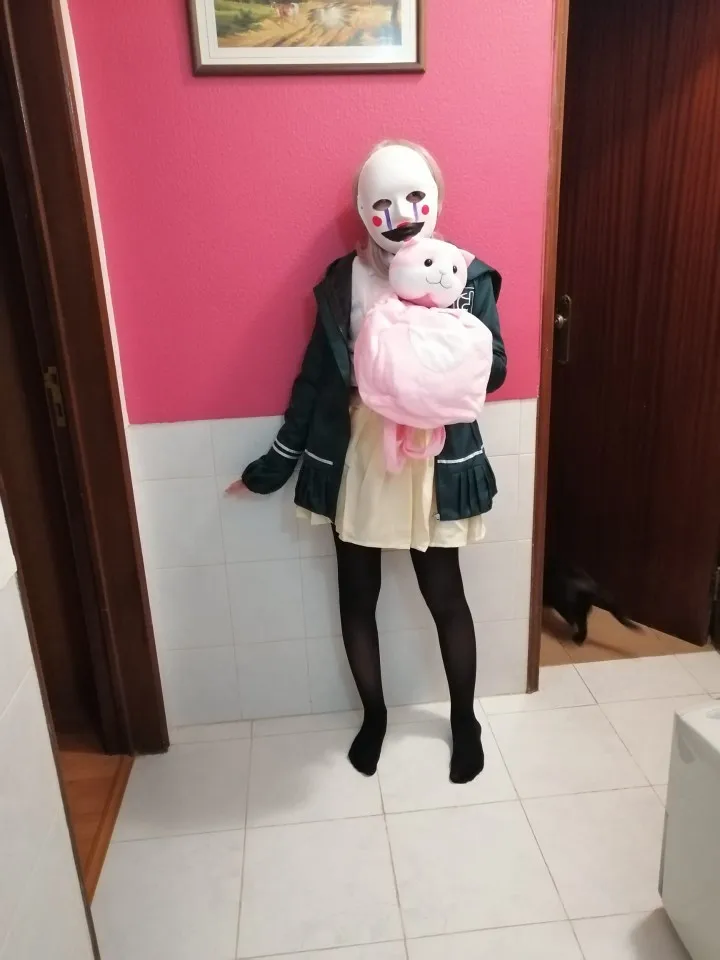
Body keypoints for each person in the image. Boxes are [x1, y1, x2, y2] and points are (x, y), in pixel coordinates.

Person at [230, 140, 506, 783]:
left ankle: (465, 720)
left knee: (446, 595)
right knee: (357, 595)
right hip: (359, 453)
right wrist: (271, 467)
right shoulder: (341, 282)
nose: (400, 214)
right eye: (382, 202)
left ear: (435, 196)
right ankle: (374, 717)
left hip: (436, 457)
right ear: (363, 208)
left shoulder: (464, 274)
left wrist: (439, 329)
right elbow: (315, 380)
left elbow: (495, 369)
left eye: (414, 197)